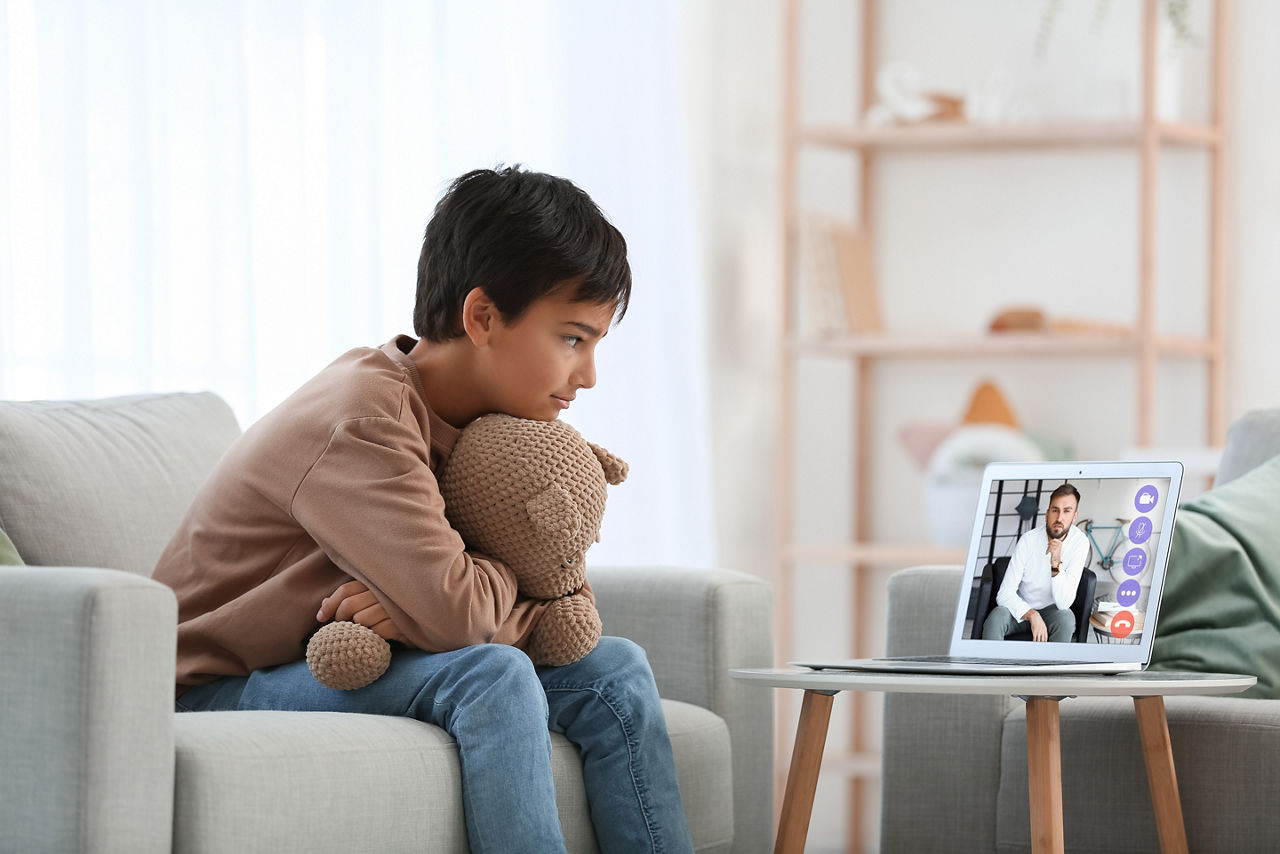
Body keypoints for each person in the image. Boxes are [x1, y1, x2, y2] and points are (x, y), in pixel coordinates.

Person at [152, 166, 695, 853]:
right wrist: (442, 602)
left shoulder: (497, 433)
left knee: (613, 668)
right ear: (483, 318)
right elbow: (460, 617)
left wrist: (425, 606)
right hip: (211, 687)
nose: (587, 376)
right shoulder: (364, 418)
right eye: (572, 338)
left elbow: (559, 599)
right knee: (488, 673)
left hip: (331, 656)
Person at [982, 483, 1088, 643]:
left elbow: (1064, 603)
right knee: (996, 617)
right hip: (1021, 608)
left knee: (1066, 619)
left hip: (1053, 610)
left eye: (1067, 511)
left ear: (1074, 516)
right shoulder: (1028, 540)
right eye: (1055, 510)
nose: (1059, 518)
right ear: (1047, 514)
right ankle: (989, 667)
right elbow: (1004, 594)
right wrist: (1032, 615)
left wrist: (1055, 564)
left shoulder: (1080, 543)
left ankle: (1051, 668)